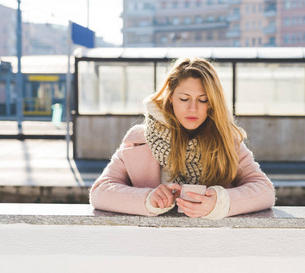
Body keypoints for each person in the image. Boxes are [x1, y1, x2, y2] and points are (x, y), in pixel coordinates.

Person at [90, 57, 275, 220]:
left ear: (212, 103)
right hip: (152, 247)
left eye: (202, 100)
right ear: (170, 98)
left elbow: (264, 190)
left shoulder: (227, 141)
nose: (193, 108)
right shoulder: (140, 139)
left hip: (212, 248)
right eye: (184, 99)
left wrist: (219, 203)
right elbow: (100, 192)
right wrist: (148, 199)